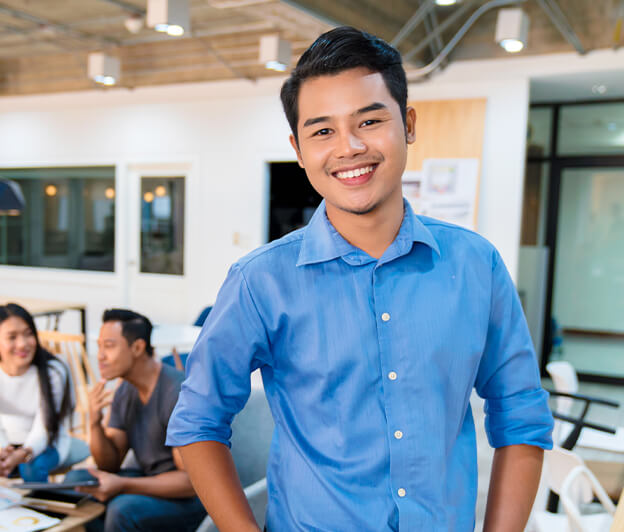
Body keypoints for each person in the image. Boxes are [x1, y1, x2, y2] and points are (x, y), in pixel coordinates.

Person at [167, 26, 554, 532]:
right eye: (322, 131)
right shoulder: (260, 282)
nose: (349, 147)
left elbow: (521, 414)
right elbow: (197, 422)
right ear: (299, 149)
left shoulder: (475, 265)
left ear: (408, 123)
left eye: (369, 121)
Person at [65, 309, 205, 532]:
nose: (100, 355)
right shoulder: (125, 389)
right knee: (77, 481)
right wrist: (94, 422)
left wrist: (123, 485)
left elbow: (190, 483)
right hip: (150, 480)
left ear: (138, 348)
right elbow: (109, 464)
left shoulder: (176, 393)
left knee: (123, 509)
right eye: (99, 346)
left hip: (190, 501)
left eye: (109, 346)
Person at [0, 303, 73, 482]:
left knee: (31, 468)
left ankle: (39, 509)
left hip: (48, 442)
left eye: (28, 334)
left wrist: (23, 453)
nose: (23, 344)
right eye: (12, 337)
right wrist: (3, 448)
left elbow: (45, 428)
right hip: (8, 441)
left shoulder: (53, 371)